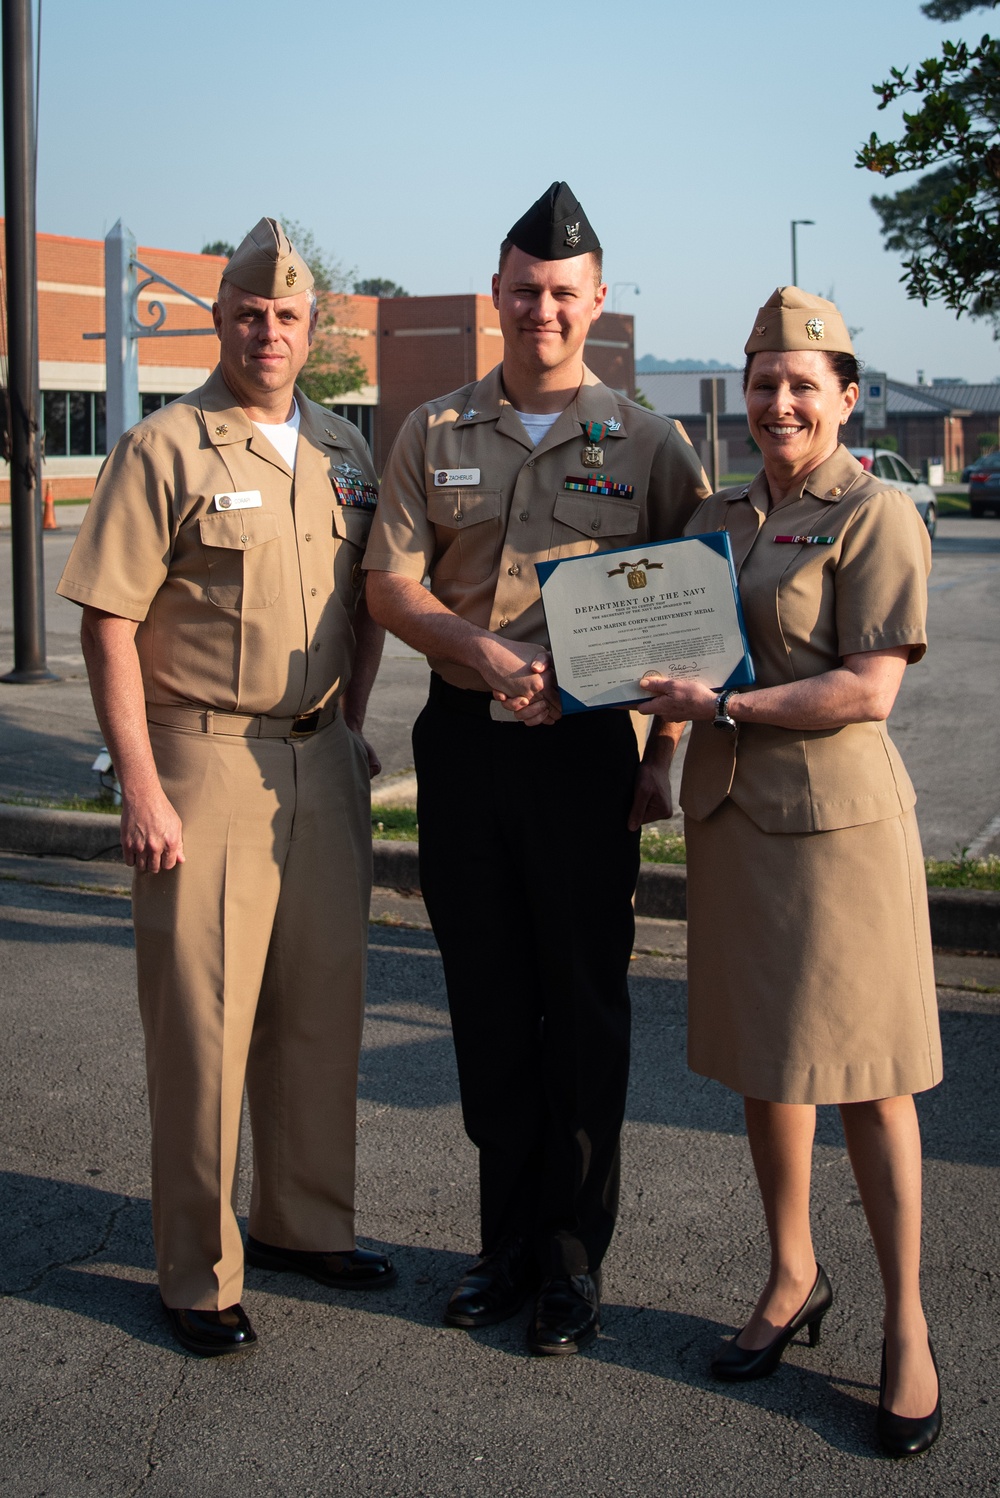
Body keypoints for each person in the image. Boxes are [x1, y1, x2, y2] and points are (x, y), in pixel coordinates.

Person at [363, 182, 709, 1356]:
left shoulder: (650, 442)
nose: (541, 309)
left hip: (579, 759)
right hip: (463, 746)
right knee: (488, 998)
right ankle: (501, 1242)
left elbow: (694, 614)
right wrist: (473, 647)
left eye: (563, 293)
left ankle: (572, 1261)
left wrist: (663, 754)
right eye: (523, 290)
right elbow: (390, 582)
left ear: (597, 301)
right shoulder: (433, 430)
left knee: (586, 1006)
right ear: (495, 295)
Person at [57, 218, 395, 1357]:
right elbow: (109, 623)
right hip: (200, 760)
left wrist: (349, 728)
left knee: (320, 1004)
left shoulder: (348, 450)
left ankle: (305, 1222)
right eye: (249, 313)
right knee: (204, 1024)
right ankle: (197, 1271)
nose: (268, 331)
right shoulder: (167, 447)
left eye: (288, 315)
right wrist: (140, 789)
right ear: (221, 320)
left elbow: (372, 605)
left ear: (312, 329)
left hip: (320, 763)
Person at [635, 287, 942, 1456]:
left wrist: (723, 707)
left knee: (870, 1075)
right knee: (772, 1065)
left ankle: (907, 1325)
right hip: (729, 816)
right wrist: (659, 757)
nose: (778, 402)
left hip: (838, 832)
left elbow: (868, 689)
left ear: (846, 396)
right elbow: (678, 649)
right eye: (762, 383)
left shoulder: (874, 513)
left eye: (802, 385)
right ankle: (788, 1275)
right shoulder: (719, 513)